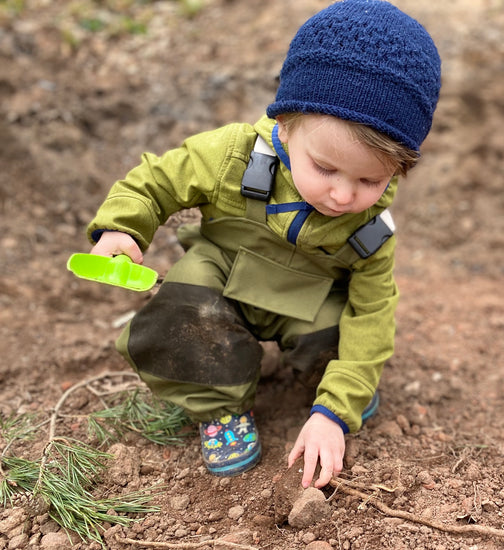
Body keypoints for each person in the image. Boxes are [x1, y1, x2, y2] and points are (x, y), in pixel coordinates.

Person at [86, 0, 441, 489]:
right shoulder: (233, 155)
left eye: (368, 179)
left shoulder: (373, 230)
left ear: (399, 168)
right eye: (325, 169)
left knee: (348, 341)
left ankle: (328, 387)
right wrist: (123, 228)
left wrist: (335, 412)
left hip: (306, 300)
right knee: (181, 314)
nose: (342, 194)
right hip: (223, 279)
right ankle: (223, 406)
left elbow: (373, 314)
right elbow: (155, 182)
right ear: (286, 125)